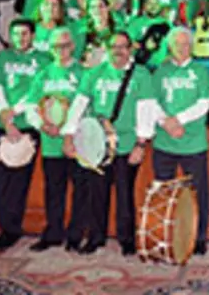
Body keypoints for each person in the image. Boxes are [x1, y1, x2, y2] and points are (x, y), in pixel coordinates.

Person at [61, 32, 153, 255]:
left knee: (124, 194)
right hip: (96, 144)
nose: (118, 51)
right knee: (96, 193)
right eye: (114, 46)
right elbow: (79, 105)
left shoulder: (141, 75)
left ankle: (127, 240)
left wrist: (141, 144)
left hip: (126, 144)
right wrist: (68, 135)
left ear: (130, 49)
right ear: (107, 48)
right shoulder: (94, 73)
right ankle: (96, 237)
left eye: (123, 47)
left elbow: (146, 109)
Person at [0, 18, 51, 251]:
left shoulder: (43, 60)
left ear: (33, 35)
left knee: (20, 180)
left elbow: (40, 90)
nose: (20, 38)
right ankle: (6, 228)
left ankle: (14, 227)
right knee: (1, 180)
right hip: (0, 125)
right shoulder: (2, 58)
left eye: (25, 33)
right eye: (15, 34)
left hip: (27, 124)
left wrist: (16, 111)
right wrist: (6, 118)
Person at [148, 26, 209, 255]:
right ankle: (164, 237)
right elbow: (151, 102)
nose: (182, 48)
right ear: (170, 46)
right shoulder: (160, 72)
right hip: (164, 143)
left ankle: (199, 237)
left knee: (198, 193)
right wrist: (166, 122)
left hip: (193, 143)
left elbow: (204, 104)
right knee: (163, 193)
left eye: (186, 44)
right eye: (178, 44)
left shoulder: (201, 71)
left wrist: (179, 120)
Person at [23, 27, 84, 252]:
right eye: (57, 46)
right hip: (50, 143)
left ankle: (75, 235)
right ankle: (53, 233)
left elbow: (88, 106)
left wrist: (70, 128)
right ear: (50, 48)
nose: (62, 50)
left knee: (80, 191)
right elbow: (31, 106)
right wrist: (42, 125)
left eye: (66, 45)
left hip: (77, 142)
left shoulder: (83, 73)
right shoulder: (43, 74)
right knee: (53, 191)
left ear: (73, 46)